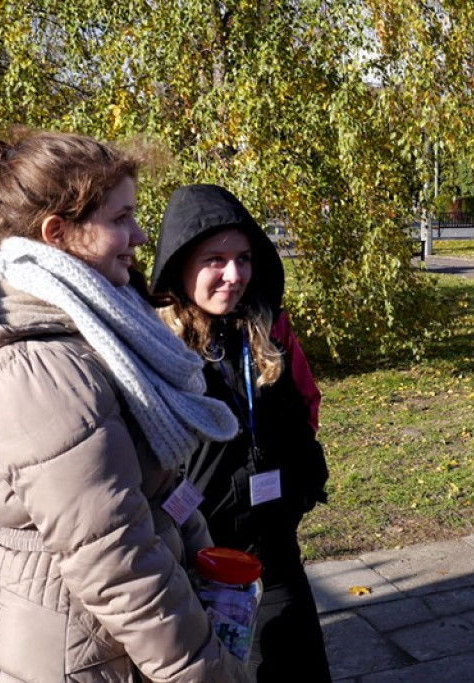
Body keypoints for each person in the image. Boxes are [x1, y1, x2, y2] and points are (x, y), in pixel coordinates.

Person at [0, 129, 252, 682]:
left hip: (97, 642)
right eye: (121, 218)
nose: (140, 235)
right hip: (69, 657)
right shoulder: (38, 373)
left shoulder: (96, 325)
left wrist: (201, 558)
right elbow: (118, 563)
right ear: (59, 234)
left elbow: (150, 496)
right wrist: (210, 673)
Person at [150, 184, 332, 683]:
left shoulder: (268, 328)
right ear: (180, 265)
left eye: (244, 259)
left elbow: (306, 405)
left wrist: (297, 481)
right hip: (194, 561)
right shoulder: (155, 348)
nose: (234, 275)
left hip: (273, 551)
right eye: (215, 260)